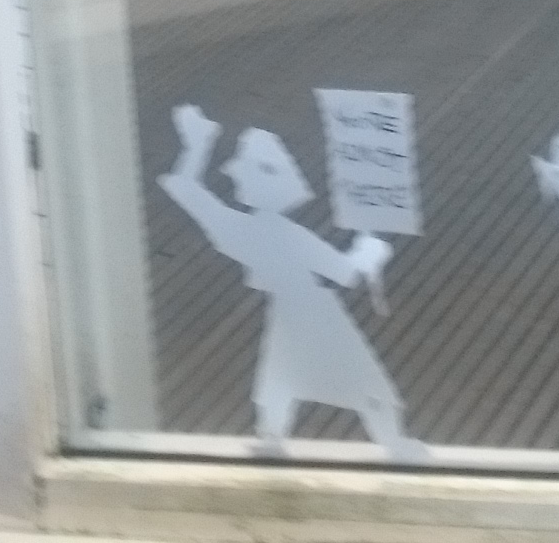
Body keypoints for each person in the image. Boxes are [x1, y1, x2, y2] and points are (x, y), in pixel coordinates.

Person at [160, 105, 417, 459]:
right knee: (352, 376)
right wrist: (370, 250)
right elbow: (345, 273)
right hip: (315, 310)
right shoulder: (284, 233)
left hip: (289, 311)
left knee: (283, 379)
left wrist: (197, 145)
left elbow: (190, 191)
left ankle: (273, 440)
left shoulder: (241, 229)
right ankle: (391, 442)